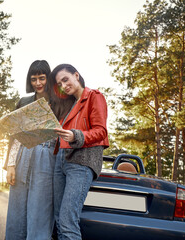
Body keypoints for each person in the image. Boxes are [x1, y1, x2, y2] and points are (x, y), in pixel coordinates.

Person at [48, 64, 109, 240]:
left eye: (65, 79)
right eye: (60, 84)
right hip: (61, 162)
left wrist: (75, 136)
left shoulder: (94, 96)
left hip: (82, 162)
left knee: (67, 221)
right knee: (59, 220)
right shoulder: (69, 105)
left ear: (76, 75)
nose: (64, 86)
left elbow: (101, 131)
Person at [4, 60, 56, 240]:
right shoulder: (24, 101)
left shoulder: (59, 102)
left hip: (46, 158)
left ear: (49, 78)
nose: (38, 83)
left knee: (39, 210)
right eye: (34, 79)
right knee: (16, 210)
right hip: (22, 155)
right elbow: (15, 136)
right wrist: (10, 165)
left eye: (42, 78)